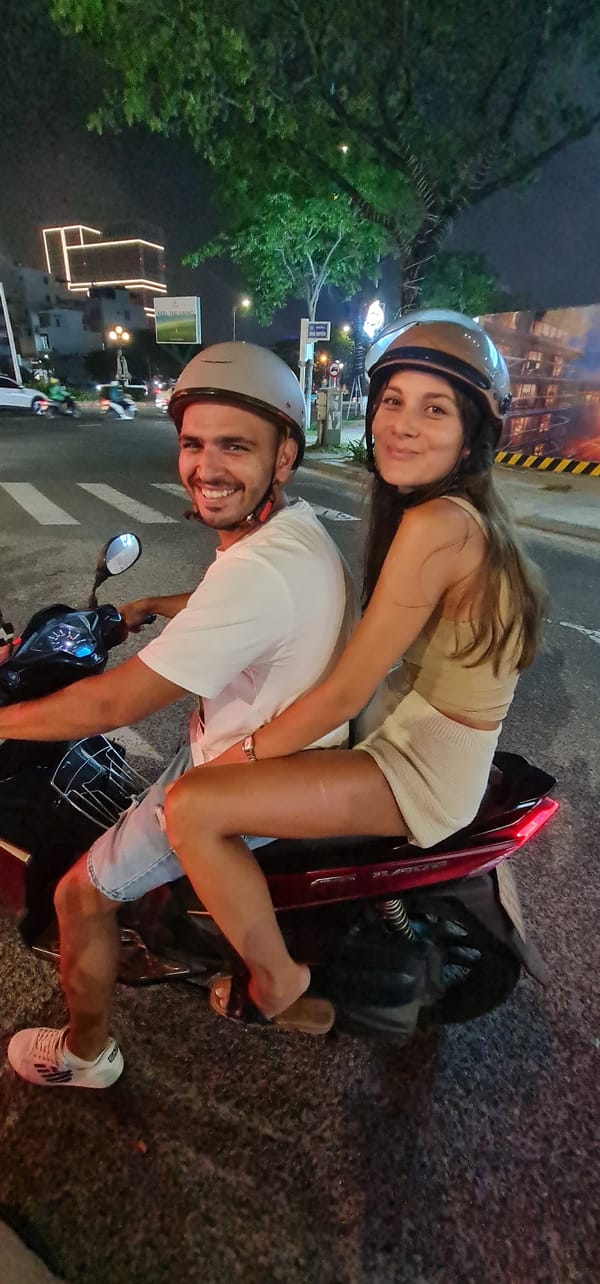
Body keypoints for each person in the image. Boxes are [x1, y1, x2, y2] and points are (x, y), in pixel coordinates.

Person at [162, 310, 547, 1034]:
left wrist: (241, 757)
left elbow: (348, 687)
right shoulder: (450, 513)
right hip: (420, 734)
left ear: (473, 433)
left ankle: (278, 982)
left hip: (416, 769)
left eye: (435, 409)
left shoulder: (439, 526)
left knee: (193, 806)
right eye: (392, 402)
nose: (401, 424)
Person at [5, 342, 354, 1088]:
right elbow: (246, 614)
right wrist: (159, 606)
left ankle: (83, 1056)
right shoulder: (290, 531)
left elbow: (110, 702)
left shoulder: (257, 568)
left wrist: (3, 721)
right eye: (194, 444)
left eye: (236, 446)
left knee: (79, 894)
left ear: (283, 456)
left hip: (243, 776)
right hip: (270, 749)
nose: (206, 467)